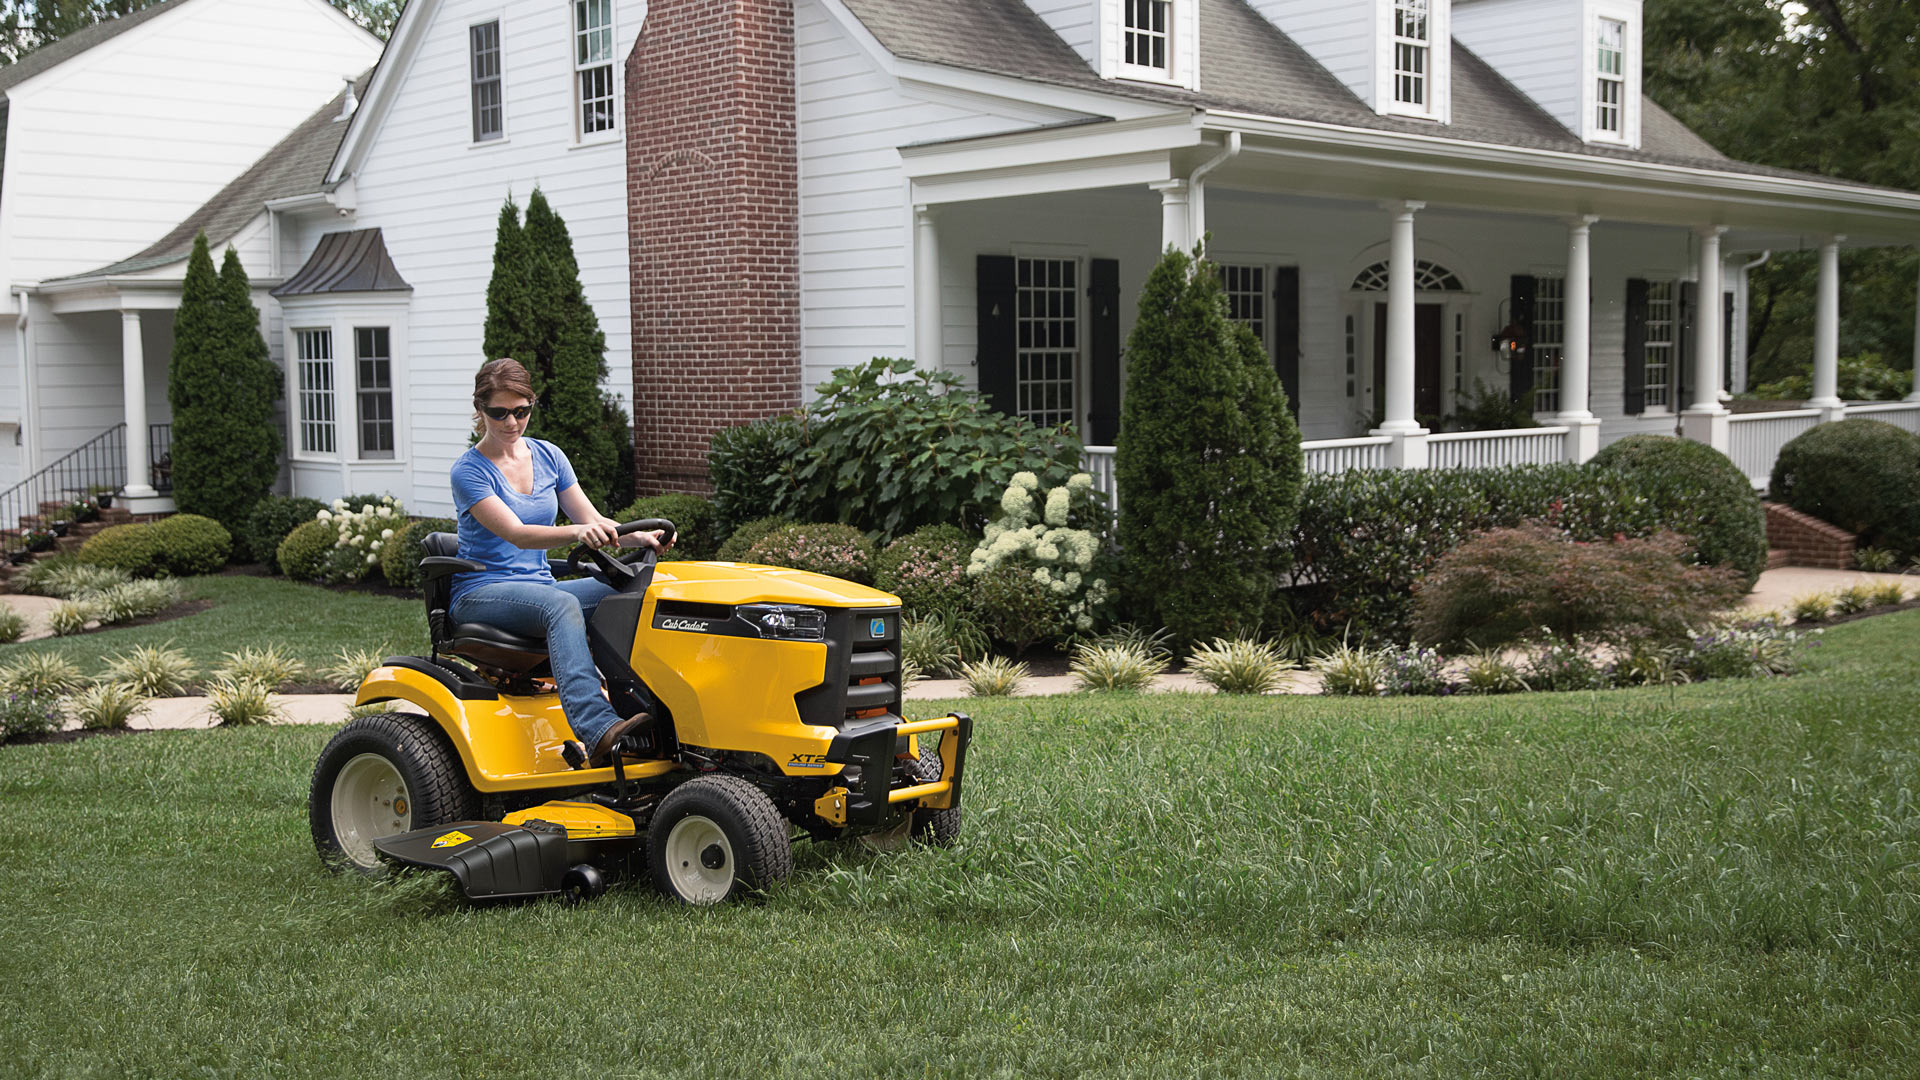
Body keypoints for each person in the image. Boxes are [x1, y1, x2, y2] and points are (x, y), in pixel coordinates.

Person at [448, 358, 665, 767]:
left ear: (531, 405)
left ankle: (652, 715)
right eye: (498, 412)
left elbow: (592, 519)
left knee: (639, 587)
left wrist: (636, 536)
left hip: (540, 587)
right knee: (560, 604)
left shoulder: (549, 457)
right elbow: (516, 533)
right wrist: (575, 534)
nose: (511, 422)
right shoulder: (469, 471)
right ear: (480, 409)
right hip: (482, 592)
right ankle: (597, 729)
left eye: (521, 411)